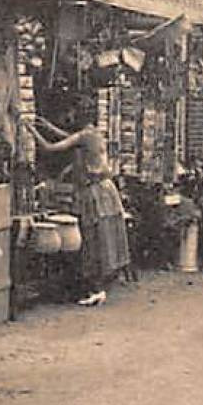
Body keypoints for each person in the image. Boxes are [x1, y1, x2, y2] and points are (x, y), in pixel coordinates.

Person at [29, 102, 131, 305]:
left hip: (94, 192)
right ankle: (99, 287)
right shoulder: (94, 133)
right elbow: (68, 136)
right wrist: (44, 124)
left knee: (92, 239)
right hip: (106, 190)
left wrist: (30, 129)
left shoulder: (84, 136)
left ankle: (95, 288)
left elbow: (49, 148)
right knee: (102, 237)